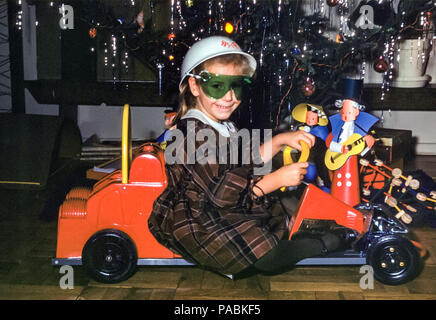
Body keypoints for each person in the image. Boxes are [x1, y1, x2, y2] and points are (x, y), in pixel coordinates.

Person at [148, 36, 344, 277]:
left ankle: (285, 231)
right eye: (217, 86)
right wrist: (277, 180)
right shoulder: (193, 134)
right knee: (261, 253)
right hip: (200, 218)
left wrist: (279, 140)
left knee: (277, 212)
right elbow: (222, 198)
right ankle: (317, 246)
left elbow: (243, 160)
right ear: (195, 86)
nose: (229, 97)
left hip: (225, 201)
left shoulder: (219, 123)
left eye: (237, 86)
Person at [326, 78, 379, 207]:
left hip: (351, 166)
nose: (345, 114)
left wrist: (367, 142)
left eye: (349, 112)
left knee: (350, 184)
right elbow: (329, 142)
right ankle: (336, 203)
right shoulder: (337, 127)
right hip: (337, 162)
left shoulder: (359, 131)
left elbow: (361, 149)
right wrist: (339, 148)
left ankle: (351, 206)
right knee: (337, 182)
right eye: (343, 111)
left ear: (356, 112)